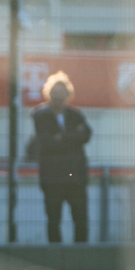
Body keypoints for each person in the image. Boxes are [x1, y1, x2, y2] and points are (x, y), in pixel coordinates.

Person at [32, 71, 91, 243]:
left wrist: (61, 136)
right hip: (52, 177)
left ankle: (81, 257)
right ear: (48, 93)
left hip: (76, 177)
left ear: (67, 94)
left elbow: (86, 135)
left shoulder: (76, 114)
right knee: (53, 219)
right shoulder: (40, 115)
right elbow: (47, 141)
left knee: (80, 219)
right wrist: (73, 136)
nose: (58, 97)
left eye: (61, 93)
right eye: (54, 92)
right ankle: (55, 258)